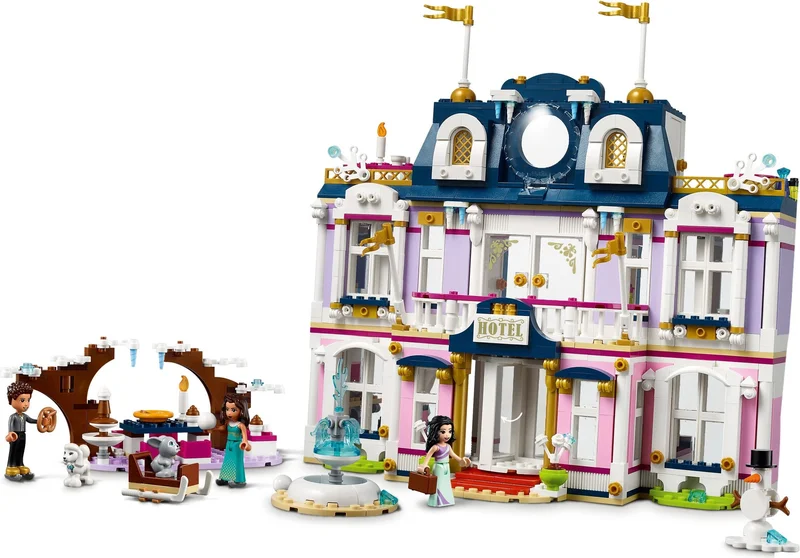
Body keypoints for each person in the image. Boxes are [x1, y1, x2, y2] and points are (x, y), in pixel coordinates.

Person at [5, 382, 56, 482]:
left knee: (21, 450)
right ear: (12, 401)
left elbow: (33, 420)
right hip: (15, 436)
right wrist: (10, 434)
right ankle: (11, 467)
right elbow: (10, 427)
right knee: (13, 451)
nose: (26, 404)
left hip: (23, 435)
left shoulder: (24, 416)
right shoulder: (13, 417)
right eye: (22, 400)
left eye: (28, 400)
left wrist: (43, 421)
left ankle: (20, 464)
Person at [416, 415, 470, 507]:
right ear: (435, 432)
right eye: (443, 432)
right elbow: (427, 458)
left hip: (446, 468)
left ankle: (447, 501)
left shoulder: (448, 447)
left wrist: (463, 461)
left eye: (450, 431)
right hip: (439, 467)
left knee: (446, 484)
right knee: (438, 484)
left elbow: (455, 457)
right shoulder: (435, 447)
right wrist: (424, 466)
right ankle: (436, 502)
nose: (447, 435)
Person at [208, 394, 251, 488]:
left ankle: (239, 481)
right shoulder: (228, 423)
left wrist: (245, 442)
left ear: (242, 411)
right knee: (227, 461)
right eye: (227, 409)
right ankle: (225, 478)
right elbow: (222, 428)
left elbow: (245, 437)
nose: (229, 413)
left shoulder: (240, 425)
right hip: (229, 444)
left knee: (237, 462)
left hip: (237, 445)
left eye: (233, 410)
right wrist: (213, 429)